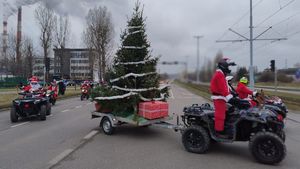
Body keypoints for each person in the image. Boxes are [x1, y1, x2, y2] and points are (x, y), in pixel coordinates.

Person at [210, 58, 237, 137]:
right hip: (219, 98)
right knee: (220, 115)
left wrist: (232, 95)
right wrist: (231, 98)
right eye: (228, 67)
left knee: (226, 112)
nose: (228, 69)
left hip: (221, 97)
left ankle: (223, 127)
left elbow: (226, 88)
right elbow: (223, 89)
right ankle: (218, 131)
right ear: (224, 66)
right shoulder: (219, 75)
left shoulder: (221, 74)